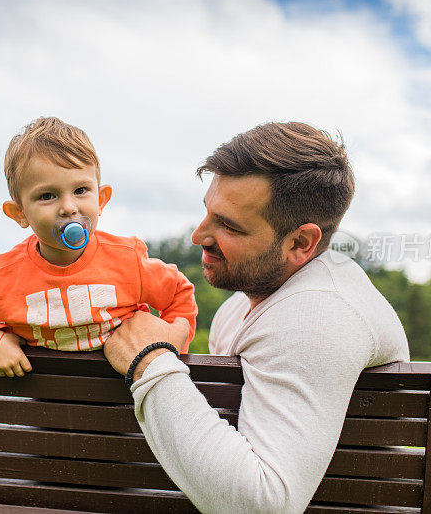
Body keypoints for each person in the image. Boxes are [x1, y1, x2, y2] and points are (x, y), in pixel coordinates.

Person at [104, 122, 410, 513]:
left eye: (229, 225)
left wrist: (150, 361)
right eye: (208, 213)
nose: (198, 236)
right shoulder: (239, 310)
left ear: (300, 243)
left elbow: (263, 507)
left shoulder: (317, 317)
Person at [0, 117, 197, 377]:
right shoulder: (2, 274)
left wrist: (171, 341)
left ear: (101, 199)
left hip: (124, 401)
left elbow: (179, 295)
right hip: (50, 406)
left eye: (81, 190)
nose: (69, 207)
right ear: (19, 213)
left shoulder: (127, 259)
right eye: (47, 195)